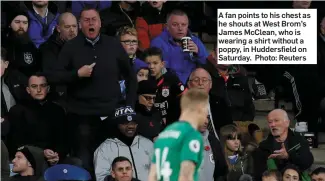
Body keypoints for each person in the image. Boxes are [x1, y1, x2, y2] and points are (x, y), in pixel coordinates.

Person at [51, 7, 137, 173]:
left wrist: (129, 105)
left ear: (100, 23)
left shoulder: (113, 44)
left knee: (116, 162)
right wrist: (77, 74)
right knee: (86, 163)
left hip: (112, 114)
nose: (90, 23)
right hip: (83, 116)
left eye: (94, 19)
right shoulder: (70, 47)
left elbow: (131, 77)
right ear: (80, 24)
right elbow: (55, 77)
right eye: (86, 20)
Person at [148, 88, 209, 181]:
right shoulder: (191, 136)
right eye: (205, 112)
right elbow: (186, 174)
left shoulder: (165, 134)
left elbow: (153, 173)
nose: (206, 118)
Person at [6, 73, 67, 165]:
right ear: (28, 90)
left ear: (48, 88)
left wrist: (57, 155)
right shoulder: (17, 110)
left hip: (53, 158)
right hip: (27, 159)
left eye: (42, 86)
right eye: (34, 86)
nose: (39, 90)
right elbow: (15, 144)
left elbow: (63, 140)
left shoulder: (58, 110)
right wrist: (41, 153)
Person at [150, 9, 208, 84]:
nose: (180, 28)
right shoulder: (158, 42)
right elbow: (154, 69)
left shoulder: (195, 41)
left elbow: (207, 65)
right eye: (175, 25)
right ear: (167, 26)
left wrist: (198, 53)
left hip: (191, 86)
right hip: (168, 85)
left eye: (183, 25)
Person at [94, 109, 153, 181]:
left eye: (133, 123)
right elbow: (101, 177)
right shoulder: (105, 148)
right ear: (117, 125)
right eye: (125, 123)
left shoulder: (148, 144)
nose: (130, 126)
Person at [258, 109, 314, 173]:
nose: (273, 125)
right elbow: (260, 173)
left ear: (287, 123)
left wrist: (288, 156)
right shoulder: (263, 146)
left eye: (276, 120)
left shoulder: (299, 141)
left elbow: (307, 162)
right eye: (270, 122)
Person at [143, 47, 186, 126]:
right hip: (149, 123)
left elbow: (185, 99)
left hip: (171, 125)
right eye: (148, 63)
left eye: (155, 63)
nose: (151, 66)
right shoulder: (142, 80)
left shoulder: (172, 79)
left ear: (162, 64)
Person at [2, 10, 41, 78]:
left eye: (25, 23)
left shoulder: (32, 46)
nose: (21, 26)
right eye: (17, 22)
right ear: (9, 24)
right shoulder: (3, 44)